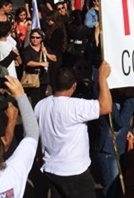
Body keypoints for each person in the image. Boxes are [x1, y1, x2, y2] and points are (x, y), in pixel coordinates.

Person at [34, 62, 113, 197]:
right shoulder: (76, 106)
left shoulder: (40, 105)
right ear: (74, 86)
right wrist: (102, 78)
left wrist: (39, 156)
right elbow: (105, 106)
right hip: (75, 172)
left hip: (51, 169)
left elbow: (38, 135)